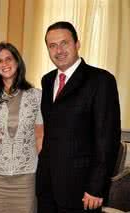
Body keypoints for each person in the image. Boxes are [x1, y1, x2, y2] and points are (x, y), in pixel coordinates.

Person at [36, 21, 121, 213]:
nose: (59, 50)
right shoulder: (47, 80)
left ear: (77, 44)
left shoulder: (101, 80)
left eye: (64, 43)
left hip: (81, 190)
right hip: (47, 186)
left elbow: (107, 139)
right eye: (52, 45)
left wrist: (96, 187)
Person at [0, 42, 44, 213]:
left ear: (17, 62)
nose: (5, 64)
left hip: (26, 177)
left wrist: (39, 168)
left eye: (9, 59)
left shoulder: (36, 96)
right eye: (0, 61)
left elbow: (39, 135)